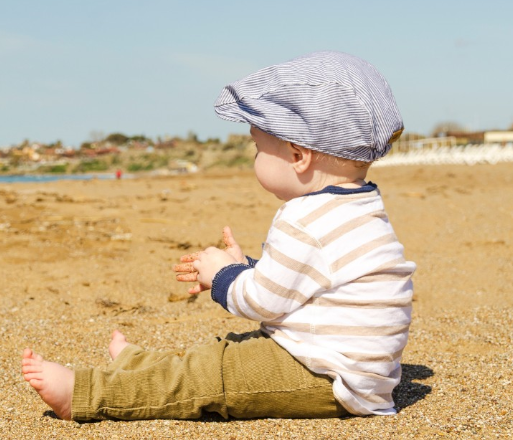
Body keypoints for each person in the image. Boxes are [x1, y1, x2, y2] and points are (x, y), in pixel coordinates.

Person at [22, 51, 415, 421]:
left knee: (213, 374)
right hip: (355, 372)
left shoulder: (304, 217)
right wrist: (247, 267)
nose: (255, 157)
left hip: (328, 378)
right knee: (226, 351)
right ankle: (139, 365)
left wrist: (223, 277)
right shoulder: (360, 206)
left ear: (298, 156)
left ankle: (87, 394)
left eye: (259, 147)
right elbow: (307, 283)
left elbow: (263, 303)